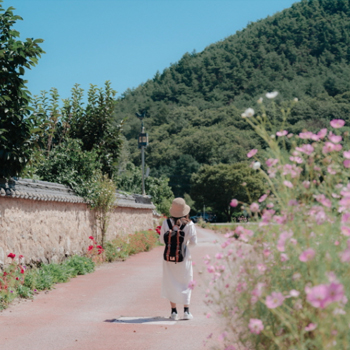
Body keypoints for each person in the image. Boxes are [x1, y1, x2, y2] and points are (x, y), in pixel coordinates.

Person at [159, 197, 197, 320]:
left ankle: (173, 312)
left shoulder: (166, 223)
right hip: (184, 256)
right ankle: (186, 311)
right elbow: (194, 242)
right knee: (186, 282)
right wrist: (184, 244)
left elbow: (161, 240)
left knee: (170, 281)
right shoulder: (189, 224)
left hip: (169, 257)